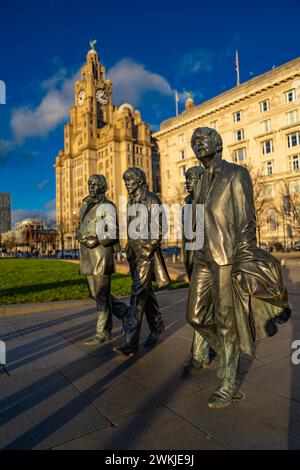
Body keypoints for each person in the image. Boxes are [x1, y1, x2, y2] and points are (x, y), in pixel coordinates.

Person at [187, 127, 290, 408]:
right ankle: (226, 351)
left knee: (226, 320)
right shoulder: (199, 181)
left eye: (203, 138)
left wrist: (243, 258)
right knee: (194, 316)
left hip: (226, 257)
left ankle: (229, 380)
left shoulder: (236, 173)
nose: (198, 143)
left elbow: (246, 219)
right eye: (194, 140)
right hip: (202, 257)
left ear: (218, 144)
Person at [113, 167, 170, 357]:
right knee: (147, 293)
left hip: (146, 254)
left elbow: (162, 227)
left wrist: (148, 247)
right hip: (133, 253)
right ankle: (157, 326)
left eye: (129, 180)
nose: (126, 184)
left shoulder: (152, 199)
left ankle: (130, 342)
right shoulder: (131, 203)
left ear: (139, 181)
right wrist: (128, 248)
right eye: (125, 180)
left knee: (137, 295)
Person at [78, 174, 128, 346]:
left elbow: (114, 231)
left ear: (102, 186)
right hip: (86, 254)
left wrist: (97, 239)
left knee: (100, 293)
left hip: (100, 253)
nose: (91, 186)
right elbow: (81, 226)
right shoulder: (86, 204)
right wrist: (80, 236)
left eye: (95, 184)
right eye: (89, 183)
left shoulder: (108, 206)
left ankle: (103, 332)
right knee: (95, 293)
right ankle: (126, 314)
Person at [182, 166, 215, 374]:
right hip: (193, 258)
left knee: (197, 311)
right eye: (187, 178)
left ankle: (200, 354)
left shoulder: (211, 199)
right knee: (203, 308)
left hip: (211, 260)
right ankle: (203, 352)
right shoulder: (187, 202)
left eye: (192, 178)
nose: (188, 182)